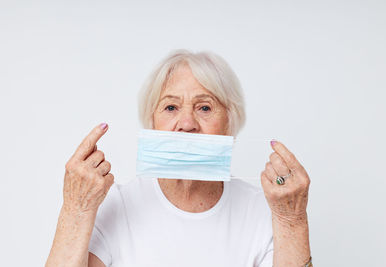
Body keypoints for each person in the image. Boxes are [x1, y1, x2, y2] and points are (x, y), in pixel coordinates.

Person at [46, 49, 312, 267]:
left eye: (204, 107)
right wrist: (75, 209)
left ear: (230, 124)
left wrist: (293, 221)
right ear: (152, 123)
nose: (186, 124)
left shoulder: (263, 212)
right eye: (171, 107)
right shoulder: (116, 206)